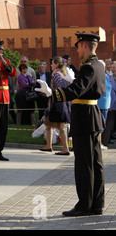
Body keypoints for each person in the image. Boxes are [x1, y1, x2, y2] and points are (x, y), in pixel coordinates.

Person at [37, 33, 105, 217]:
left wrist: (53, 93)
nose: (77, 50)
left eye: (78, 47)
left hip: (84, 118)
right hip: (92, 116)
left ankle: (85, 205)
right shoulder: (99, 65)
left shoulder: (88, 67)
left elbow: (77, 89)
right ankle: (96, 204)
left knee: (84, 164)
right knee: (95, 163)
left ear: (83, 45)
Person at [38, 56, 71, 155]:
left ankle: (65, 149)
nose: (51, 65)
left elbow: (60, 88)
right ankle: (49, 145)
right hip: (57, 102)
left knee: (61, 127)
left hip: (58, 104)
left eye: (52, 63)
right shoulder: (62, 73)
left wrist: (49, 91)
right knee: (47, 124)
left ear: (57, 64)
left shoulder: (57, 74)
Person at [97, 60, 111, 150]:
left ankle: (100, 142)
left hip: (105, 104)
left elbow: (108, 91)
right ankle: (99, 143)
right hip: (100, 103)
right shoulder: (99, 77)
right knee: (100, 124)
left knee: (103, 123)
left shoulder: (106, 76)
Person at [102, 62, 116, 146]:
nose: (113, 69)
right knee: (109, 123)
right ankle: (105, 141)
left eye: (114, 67)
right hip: (112, 104)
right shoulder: (108, 78)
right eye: (112, 67)